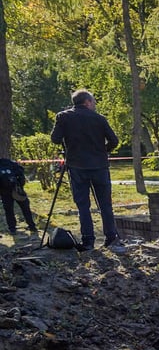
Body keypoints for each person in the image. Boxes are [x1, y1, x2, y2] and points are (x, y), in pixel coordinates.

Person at [49, 89, 121, 251]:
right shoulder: (99, 119)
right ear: (87, 102)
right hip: (100, 166)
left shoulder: (63, 117)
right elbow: (114, 141)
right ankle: (111, 237)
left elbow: (55, 139)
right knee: (105, 205)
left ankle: (88, 241)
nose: (94, 104)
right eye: (93, 101)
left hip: (77, 166)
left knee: (83, 206)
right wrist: (103, 151)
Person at [0, 158, 39, 238]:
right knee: (26, 208)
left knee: (9, 211)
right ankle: (32, 226)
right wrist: (20, 185)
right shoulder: (11, 163)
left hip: (4, 191)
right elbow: (21, 172)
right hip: (17, 189)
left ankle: (12, 229)